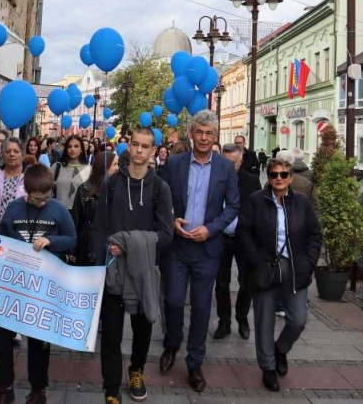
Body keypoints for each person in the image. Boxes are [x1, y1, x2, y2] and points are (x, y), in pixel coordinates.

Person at [159, 110, 239, 393]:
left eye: (209, 133)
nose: (204, 138)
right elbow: (162, 198)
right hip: (177, 247)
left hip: (207, 248)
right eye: (199, 132)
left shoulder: (225, 168)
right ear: (190, 134)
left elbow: (233, 207)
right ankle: (171, 343)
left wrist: (212, 228)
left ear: (215, 137)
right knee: (173, 300)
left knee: (202, 308)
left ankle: (194, 362)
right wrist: (171, 219)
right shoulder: (176, 164)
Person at [93, 128, 174, 404]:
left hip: (143, 270)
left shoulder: (160, 189)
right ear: (129, 148)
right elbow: (100, 226)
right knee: (112, 333)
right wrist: (101, 257)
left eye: (145, 146)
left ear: (153, 151)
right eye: (135, 145)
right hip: (114, 268)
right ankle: (111, 387)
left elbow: (166, 234)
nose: (139, 151)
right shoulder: (112, 184)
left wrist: (130, 243)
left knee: (142, 328)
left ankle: (136, 371)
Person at [0, 164, 76, 404]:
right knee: (3, 338)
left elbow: (72, 239)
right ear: (27, 192)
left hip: (43, 286)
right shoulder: (14, 208)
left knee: (39, 341)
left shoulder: (58, 210)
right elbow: (3, 238)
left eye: (47, 197)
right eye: (38, 199)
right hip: (14, 284)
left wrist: (50, 240)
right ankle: (5, 385)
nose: (43, 203)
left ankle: (38, 389)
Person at [236, 158, 322, 392]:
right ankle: (268, 367)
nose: (278, 179)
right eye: (274, 174)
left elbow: (315, 235)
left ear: (291, 177)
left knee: (297, 320)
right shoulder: (256, 201)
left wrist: (309, 262)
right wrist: (256, 259)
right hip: (265, 269)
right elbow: (243, 231)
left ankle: (280, 349)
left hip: (296, 269)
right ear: (269, 177)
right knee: (264, 320)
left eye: (284, 175)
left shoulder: (301, 202)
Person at [213, 144, 261, 340]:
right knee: (221, 282)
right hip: (220, 238)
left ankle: (242, 318)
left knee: (247, 281)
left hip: (243, 238)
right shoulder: (214, 179)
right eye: (225, 162)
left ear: (240, 161)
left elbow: (258, 209)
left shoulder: (251, 181)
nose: (229, 166)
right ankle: (224, 321)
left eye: (233, 162)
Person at [71, 150, 117, 266]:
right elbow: (76, 220)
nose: (118, 168)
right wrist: (73, 250)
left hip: (112, 246)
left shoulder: (118, 189)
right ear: (104, 167)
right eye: (115, 164)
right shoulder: (84, 190)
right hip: (88, 249)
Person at [51, 134, 91, 213]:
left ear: (81, 149)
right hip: (58, 212)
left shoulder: (89, 169)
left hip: (80, 214)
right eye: (69, 147)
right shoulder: (57, 167)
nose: (72, 149)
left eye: (76, 146)